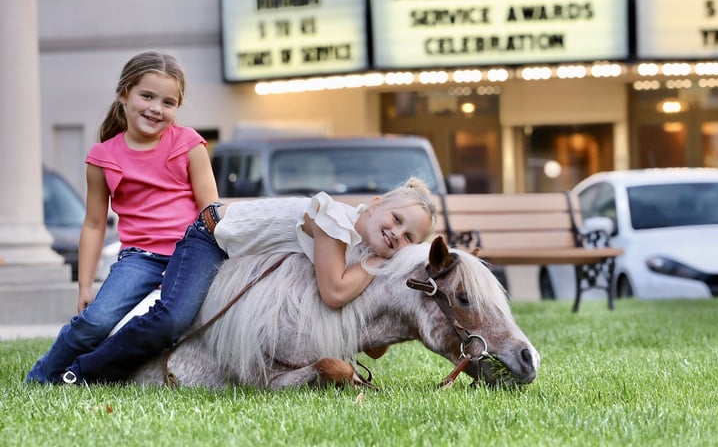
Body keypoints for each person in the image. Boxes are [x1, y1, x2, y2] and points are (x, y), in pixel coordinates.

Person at [59, 177, 436, 384]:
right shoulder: (335, 223)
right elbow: (335, 294)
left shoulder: (358, 245)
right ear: (375, 204)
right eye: (396, 220)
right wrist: (376, 266)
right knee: (173, 317)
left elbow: (368, 336)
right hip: (211, 236)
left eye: (409, 238)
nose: (396, 235)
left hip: (243, 260)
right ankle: (86, 371)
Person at [26, 51, 223, 384]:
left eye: (168, 102)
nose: (156, 108)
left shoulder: (189, 145)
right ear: (124, 94)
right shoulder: (103, 158)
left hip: (192, 249)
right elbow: (94, 225)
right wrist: (85, 285)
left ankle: (84, 372)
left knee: (172, 321)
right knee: (94, 322)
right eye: (147, 96)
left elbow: (210, 213)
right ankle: (41, 378)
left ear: (177, 107)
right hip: (140, 257)